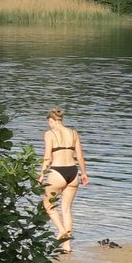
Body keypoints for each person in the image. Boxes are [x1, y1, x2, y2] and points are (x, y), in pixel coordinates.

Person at [40, 108, 89, 255]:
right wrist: (84, 173)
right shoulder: (73, 133)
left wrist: (42, 174)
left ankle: (61, 230)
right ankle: (67, 246)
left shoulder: (49, 134)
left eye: (49, 122)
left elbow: (47, 157)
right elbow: (79, 156)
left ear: (51, 120)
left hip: (57, 172)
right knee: (66, 210)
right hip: (73, 172)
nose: (49, 125)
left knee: (47, 204)